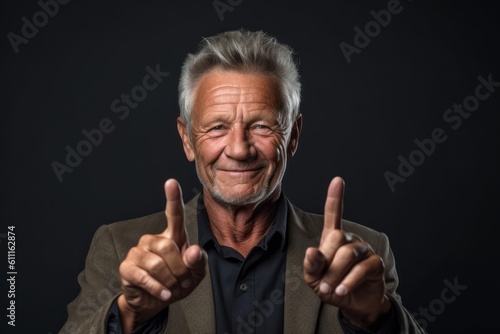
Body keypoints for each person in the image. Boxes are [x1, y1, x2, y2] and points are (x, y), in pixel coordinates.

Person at [60, 29, 426, 334]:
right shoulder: (120, 247)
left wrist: (376, 319)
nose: (238, 148)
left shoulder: (361, 253)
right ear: (187, 139)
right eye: (217, 127)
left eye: (262, 126)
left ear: (293, 136)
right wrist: (130, 315)